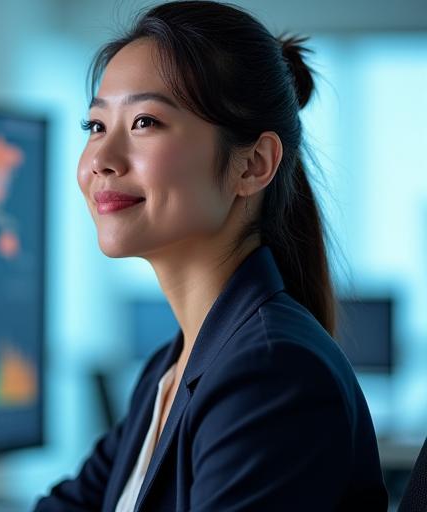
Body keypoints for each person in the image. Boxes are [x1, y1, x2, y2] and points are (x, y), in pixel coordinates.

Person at [34, 1, 388, 510]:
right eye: (95, 126)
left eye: (145, 121)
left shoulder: (270, 374)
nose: (100, 162)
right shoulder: (171, 369)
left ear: (253, 165)